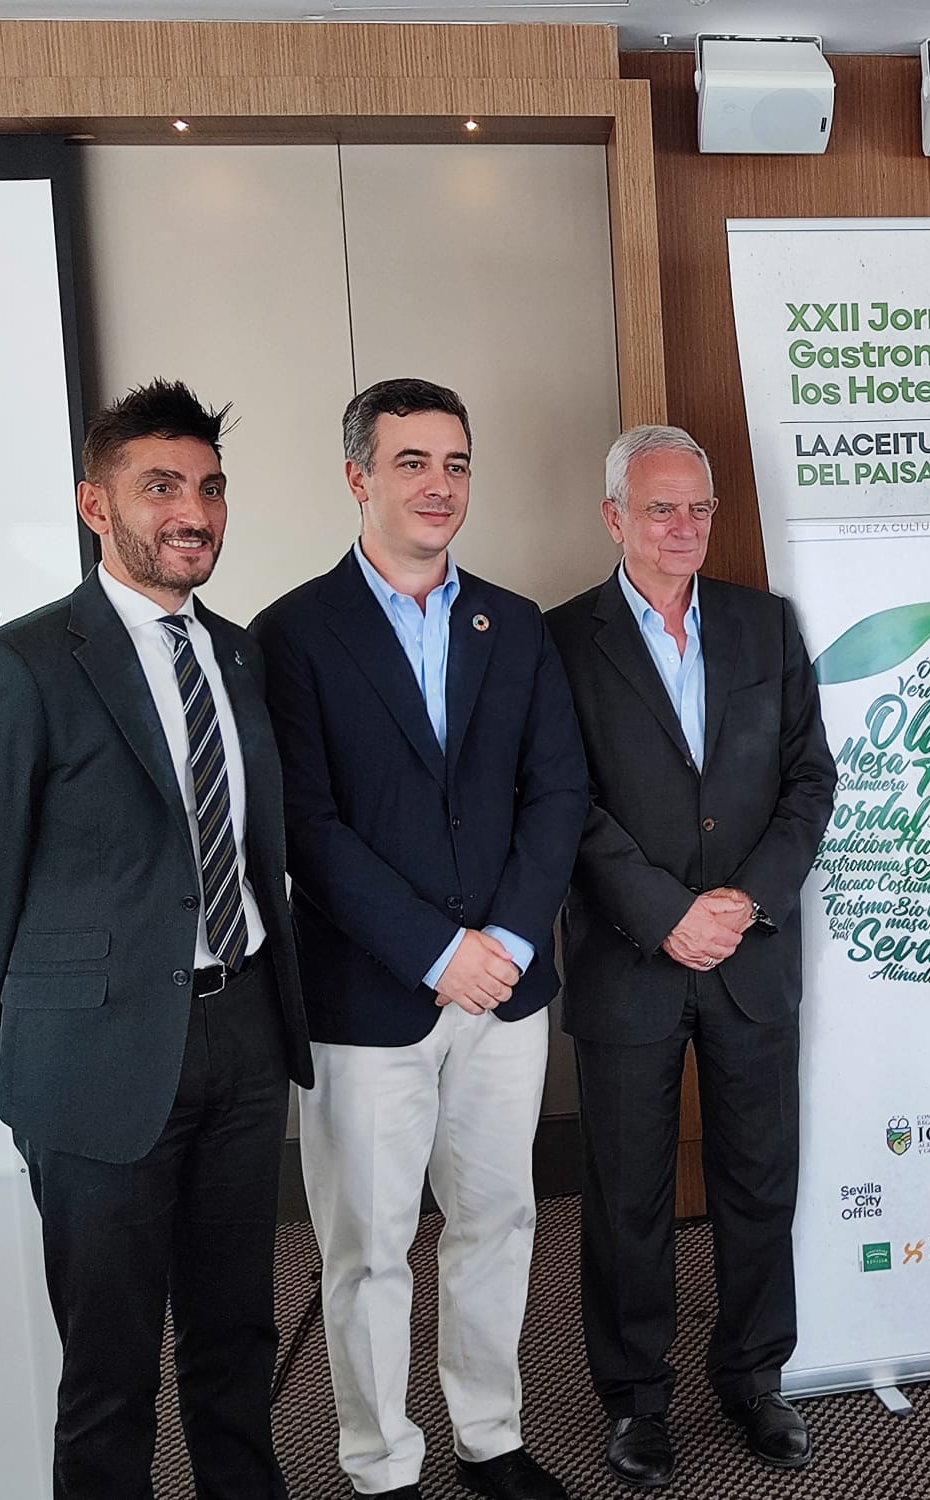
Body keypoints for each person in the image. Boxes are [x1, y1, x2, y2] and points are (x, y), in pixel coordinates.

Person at [0, 380, 312, 1500]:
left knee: (237, 1334)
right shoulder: (21, 666)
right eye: (160, 487)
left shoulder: (239, 657)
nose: (192, 511)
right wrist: (33, 1035)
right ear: (98, 506)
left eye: (209, 488)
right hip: (91, 1064)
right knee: (111, 1365)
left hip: (242, 1033)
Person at [251, 378, 588, 1500]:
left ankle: (489, 1438)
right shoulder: (291, 634)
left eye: (454, 463)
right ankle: (379, 1460)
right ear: (358, 478)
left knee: (497, 1220)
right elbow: (308, 825)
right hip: (368, 998)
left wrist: (498, 941)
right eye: (411, 463)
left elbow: (555, 794)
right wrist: (438, 953)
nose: (438, 486)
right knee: (366, 1248)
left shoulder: (516, 622)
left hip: (504, 990)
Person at [544, 425, 835, 1488]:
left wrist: (745, 900)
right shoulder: (559, 639)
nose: (683, 527)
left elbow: (809, 779)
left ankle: (753, 1379)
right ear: (614, 516)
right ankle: (634, 1399)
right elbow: (559, 801)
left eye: (698, 508)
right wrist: (665, 913)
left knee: (759, 1181)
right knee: (625, 1195)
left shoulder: (765, 625)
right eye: (660, 508)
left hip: (750, 957)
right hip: (630, 959)